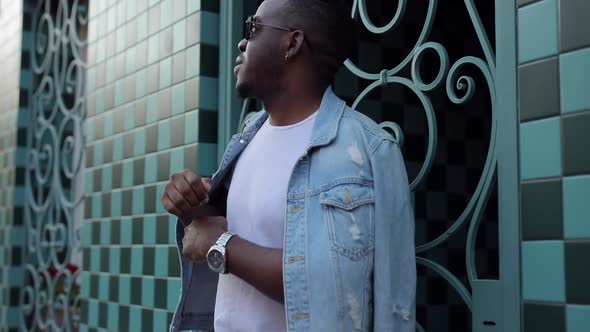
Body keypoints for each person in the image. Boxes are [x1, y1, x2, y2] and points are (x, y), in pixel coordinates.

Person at [162, 0, 416, 331]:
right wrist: (190, 206)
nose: (242, 42)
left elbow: (332, 285)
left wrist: (222, 245)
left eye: (253, 28)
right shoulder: (246, 138)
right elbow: (220, 232)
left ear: (292, 43)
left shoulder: (367, 150)